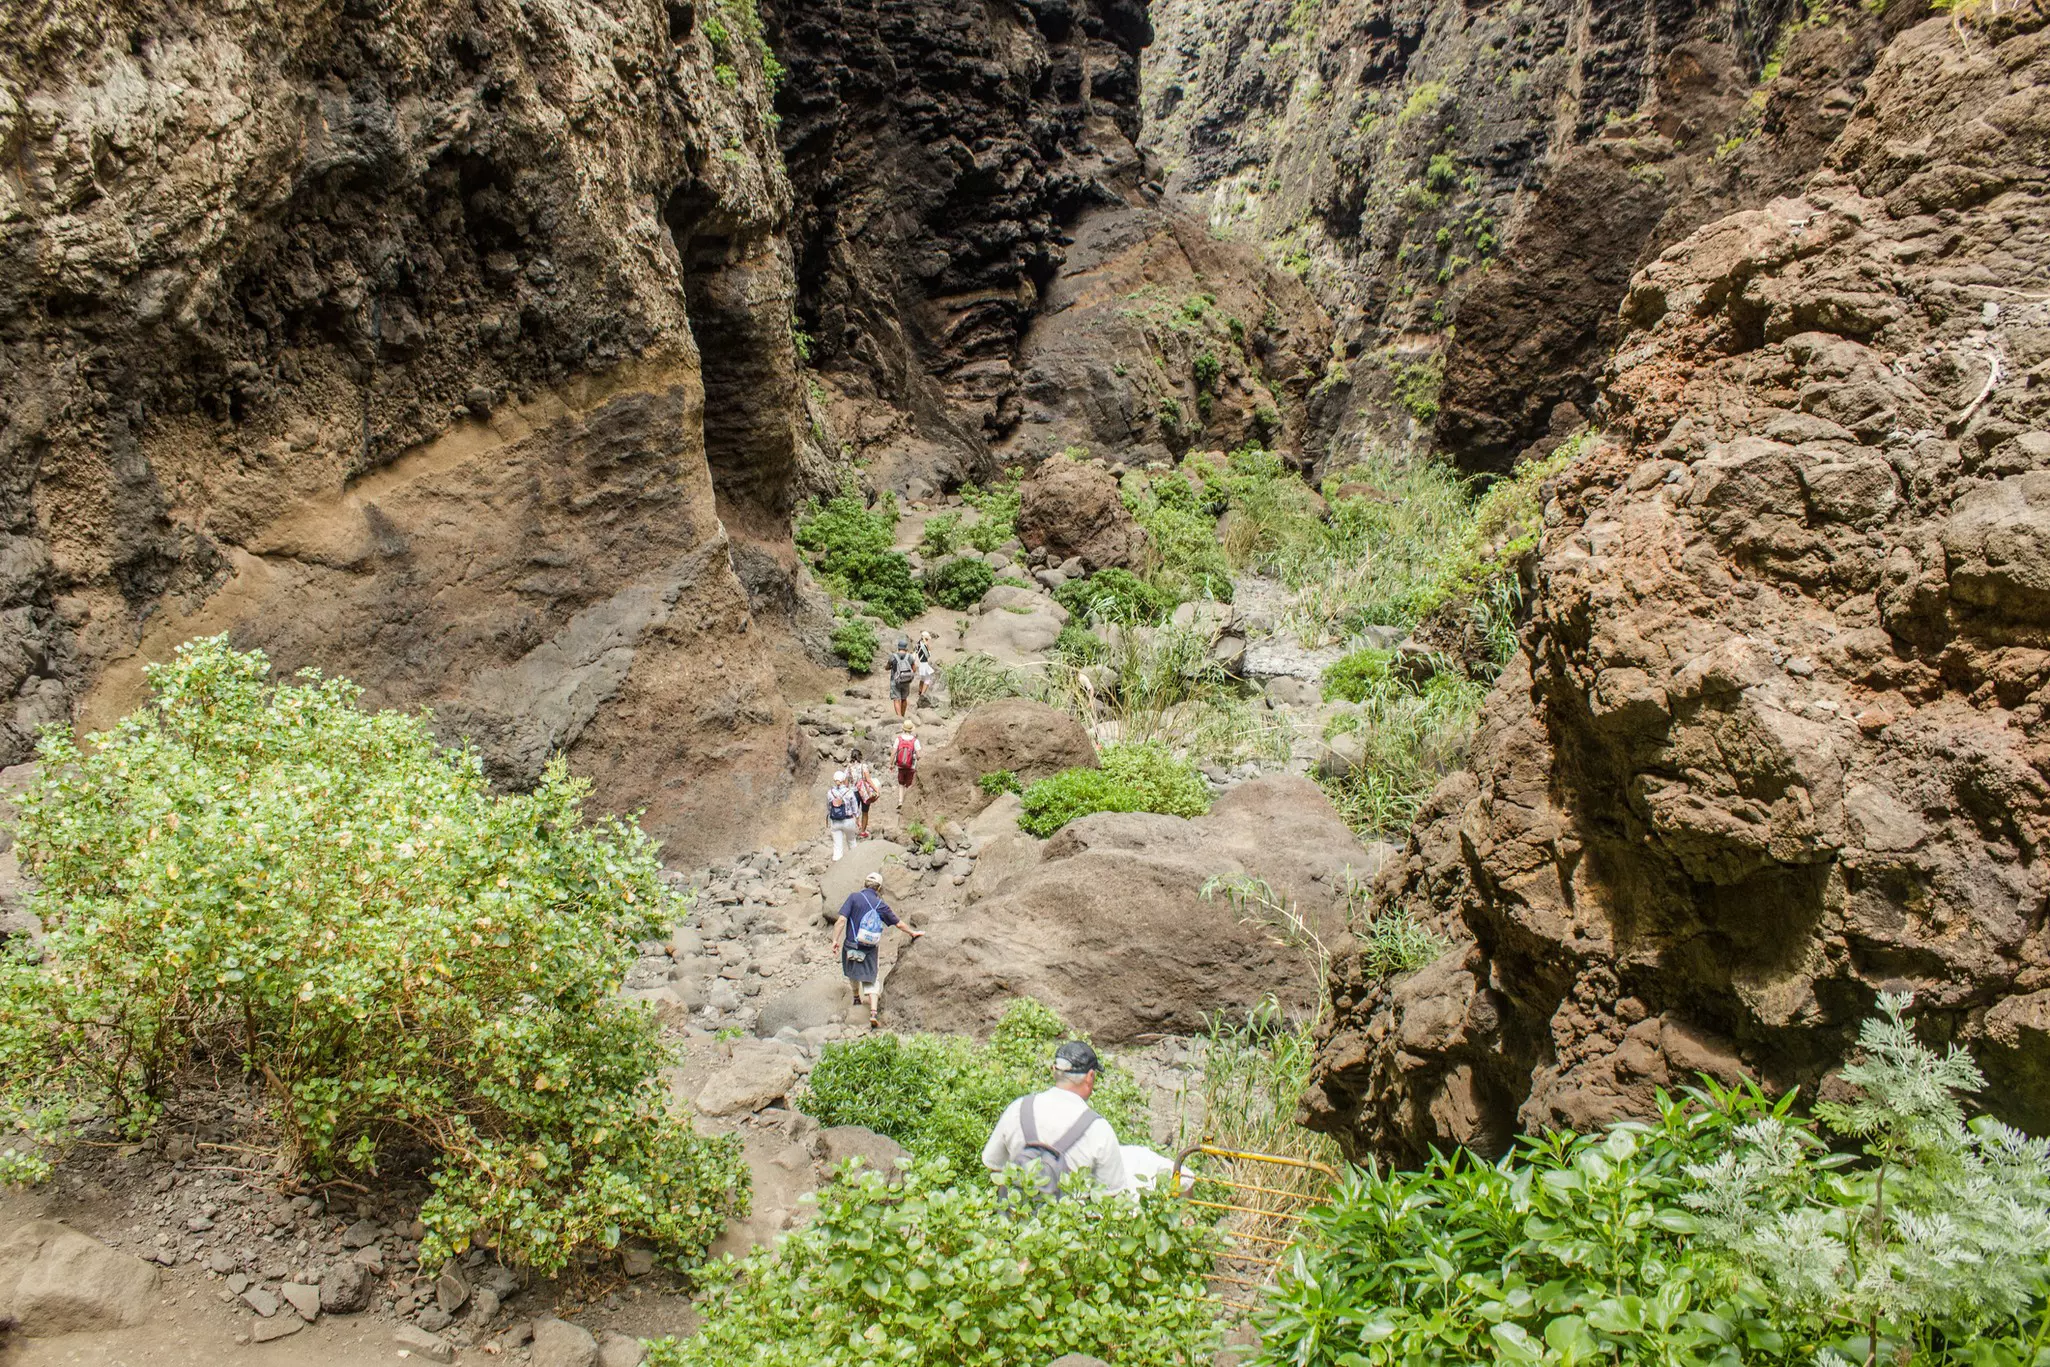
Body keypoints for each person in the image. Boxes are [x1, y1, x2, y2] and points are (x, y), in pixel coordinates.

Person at [981, 1041, 1130, 1198]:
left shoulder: (1018, 1108)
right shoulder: (1099, 1129)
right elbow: (1112, 1195)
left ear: (1054, 1071)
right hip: (1068, 1220)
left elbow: (994, 1165)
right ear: (1090, 1076)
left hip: (1014, 1217)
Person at [830, 870, 922, 1027]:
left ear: (865, 884)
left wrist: (835, 940)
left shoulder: (854, 897)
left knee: (853, 971)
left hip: (851, 944)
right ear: (879, 888)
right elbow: (898, 923)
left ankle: (856, 998)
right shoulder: (880, 904)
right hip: (869, 948)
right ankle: (873, 1012)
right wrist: (913, 932)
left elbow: (841, 920)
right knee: (872, 975)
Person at [825, 769, 860, 861]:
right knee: (852, 842)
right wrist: (857, 818)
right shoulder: (849, 792)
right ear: (844, 779)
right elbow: (854, 807)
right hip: (848, 820)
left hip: (835, 821)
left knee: (837, 846)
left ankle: (837, 865)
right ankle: (854, 862)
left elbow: (829, 807)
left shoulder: (830, 793)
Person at [847, 747, 879, 840]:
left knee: (853, 812)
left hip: (853, 791)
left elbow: (846, 781)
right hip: (864, 791)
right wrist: (876, 789)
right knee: (865, 812)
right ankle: (863, 831)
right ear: (859, 757)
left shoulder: (849, 767)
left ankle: (851, 831)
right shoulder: (863, 766)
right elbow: (868, 780)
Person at [891, 721, 920, 811]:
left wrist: (891, 764)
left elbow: (893, 753)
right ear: (911, 730)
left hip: (900, 766)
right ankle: (907, 802)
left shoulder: (898, 739)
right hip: (911, 766)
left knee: (901, 784)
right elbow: (919, 755)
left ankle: (900, 801)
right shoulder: (915, 741)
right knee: (909, 785)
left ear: (903, 729)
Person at [887, 637, 917, 718]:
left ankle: (899, 717)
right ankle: (903, 716)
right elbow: (914, 669)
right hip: (906, 681)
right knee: (904, 699)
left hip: (895, 681)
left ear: (898, 647)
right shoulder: (910, 657)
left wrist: (890, 667)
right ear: (906, 648)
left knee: (896, 699)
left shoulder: (893, 656)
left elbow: (887, 667)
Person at [914, 631, 937, 709]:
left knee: (922, 679)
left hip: (920, 663)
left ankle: (920, 692)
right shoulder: (924, 645)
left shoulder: (918, 643)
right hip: (924, 663)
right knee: (928, 679)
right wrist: (928, 646)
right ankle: (922, 694)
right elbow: (928, 655)